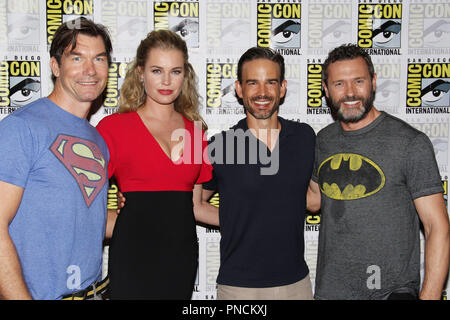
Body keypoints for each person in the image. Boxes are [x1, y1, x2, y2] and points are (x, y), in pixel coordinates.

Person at [308, 44, 450, 300]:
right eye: (339, 84)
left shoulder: (409, 143)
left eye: (358, 81)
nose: (350, 92)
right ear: (326, 91)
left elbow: (436, 226)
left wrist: (430, 296)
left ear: (373, 82)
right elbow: (314, 200)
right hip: (332, 292)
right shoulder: (324, 141)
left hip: (389, 292)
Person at [96, 30, 217, 300]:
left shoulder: (195, 132)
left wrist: (257, 221)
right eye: (156, 70)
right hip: (132, 258)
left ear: (184, 75)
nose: (166, 81)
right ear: (140, 72)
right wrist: (122, 221)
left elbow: (196, 206)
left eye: (175, 71)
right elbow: (80, 203)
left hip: (180, 258)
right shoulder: (113, 129)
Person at [0, 17, 115, 300]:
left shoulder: (98, 140)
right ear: (55, 66)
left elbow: (81, 217)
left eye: (99, 59)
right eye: (77, 57)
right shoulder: (21, 127)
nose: (90, 69)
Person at [200, 47, 316, 299]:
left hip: (296, 283)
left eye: (270, 82)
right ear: (239, 89)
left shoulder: (304, 137)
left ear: (282, 88)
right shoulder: (220, 146)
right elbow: (195, 205)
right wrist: (238, 219)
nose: (262, 92)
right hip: (239, 286)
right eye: (252, 83)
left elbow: (314, 199)